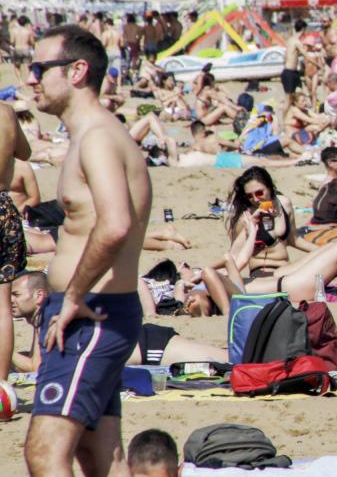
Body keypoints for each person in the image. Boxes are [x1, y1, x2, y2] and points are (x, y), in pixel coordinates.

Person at [24, 25, 153, 476]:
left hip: (91, 312)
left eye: (41, 67)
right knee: (100, 456)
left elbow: (114, 224)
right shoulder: (90, 137)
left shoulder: (98, 137)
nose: (31, 78)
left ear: (77, 71)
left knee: (45, 453)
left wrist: (74, 295)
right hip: (92, 311)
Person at [11, 271, 225, 374]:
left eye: (16, 294)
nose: (10, 300)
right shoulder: (45, 316)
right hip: (143, 344)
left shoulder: (50, 313)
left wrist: (6, 353)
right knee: (227, 358)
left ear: (39, 295)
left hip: (150, 346)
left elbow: (35, 367)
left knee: (231, 360)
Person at [0, 99, 30, 384]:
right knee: (2, 303)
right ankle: (1, 385)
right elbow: (25, 152)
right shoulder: (6, 111)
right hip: (3, 206)